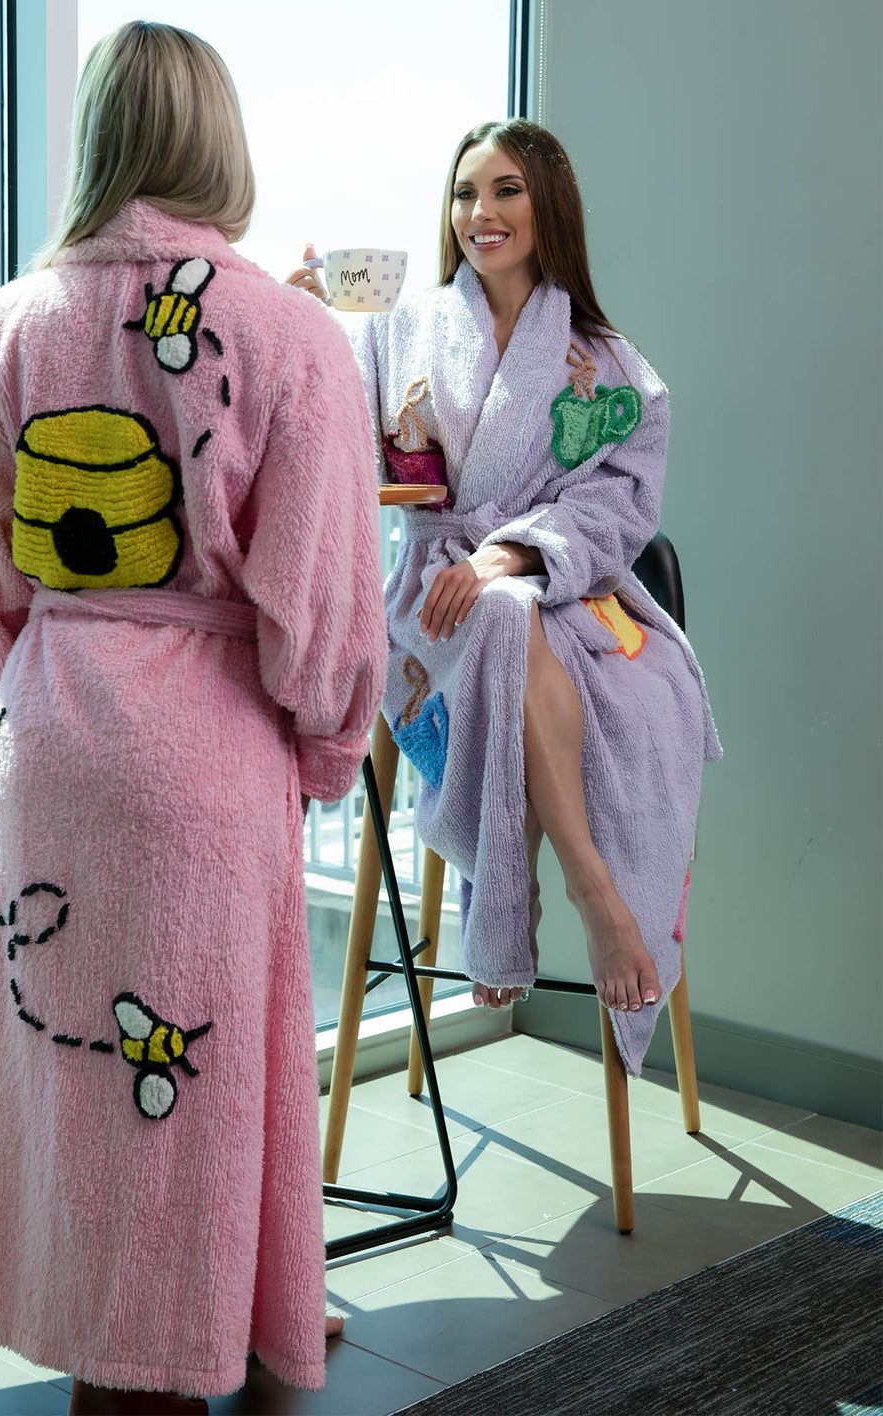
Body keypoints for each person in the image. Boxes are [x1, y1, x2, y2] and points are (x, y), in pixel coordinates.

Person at [0, 21, 387, 1415]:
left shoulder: (12, 323)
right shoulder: (290, 335)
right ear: (218, 140)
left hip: (51, 735)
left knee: (75, 1071)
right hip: (204, 747)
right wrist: (326, 741)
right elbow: (322, 591)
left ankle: (149, 1323)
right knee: (202, 1068)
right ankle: (154, 1371)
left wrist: (45, 689)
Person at [288, 119, 720, 1079]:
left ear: (546, 205)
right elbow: (327, 442)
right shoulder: (396, 329)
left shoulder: (604, 361)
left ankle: (528, 894)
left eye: (505, 190)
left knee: (506, 611)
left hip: (557, 588)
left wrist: (509, 557)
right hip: (430, 596)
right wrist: (305, 326)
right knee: (492, 615)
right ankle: (581, 893)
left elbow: (622, 504)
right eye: (464, 193)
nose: (479, 212)